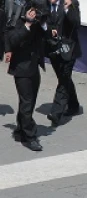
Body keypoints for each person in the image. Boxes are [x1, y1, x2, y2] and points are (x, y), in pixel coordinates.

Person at [6, 5, 47, 151]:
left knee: (28, 102)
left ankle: (20, 130)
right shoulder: (18, 23)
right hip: (21, 70)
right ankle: (30, 137)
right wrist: (27, 24)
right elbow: (13, 40)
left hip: (34, 68)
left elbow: (46, 34)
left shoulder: (37, 25)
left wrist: (41, 22)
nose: (33, 14)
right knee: (27, 103)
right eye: (31, 12)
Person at [45, 0, 81, 127]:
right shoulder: (45, 4)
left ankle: (56, 113)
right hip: (53, 49)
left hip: (68, 49)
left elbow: (76, 23)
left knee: (64, 80)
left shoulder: (72, 3)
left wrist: (68, 9)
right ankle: (74, 105)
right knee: (63, 78)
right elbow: (42, 22)